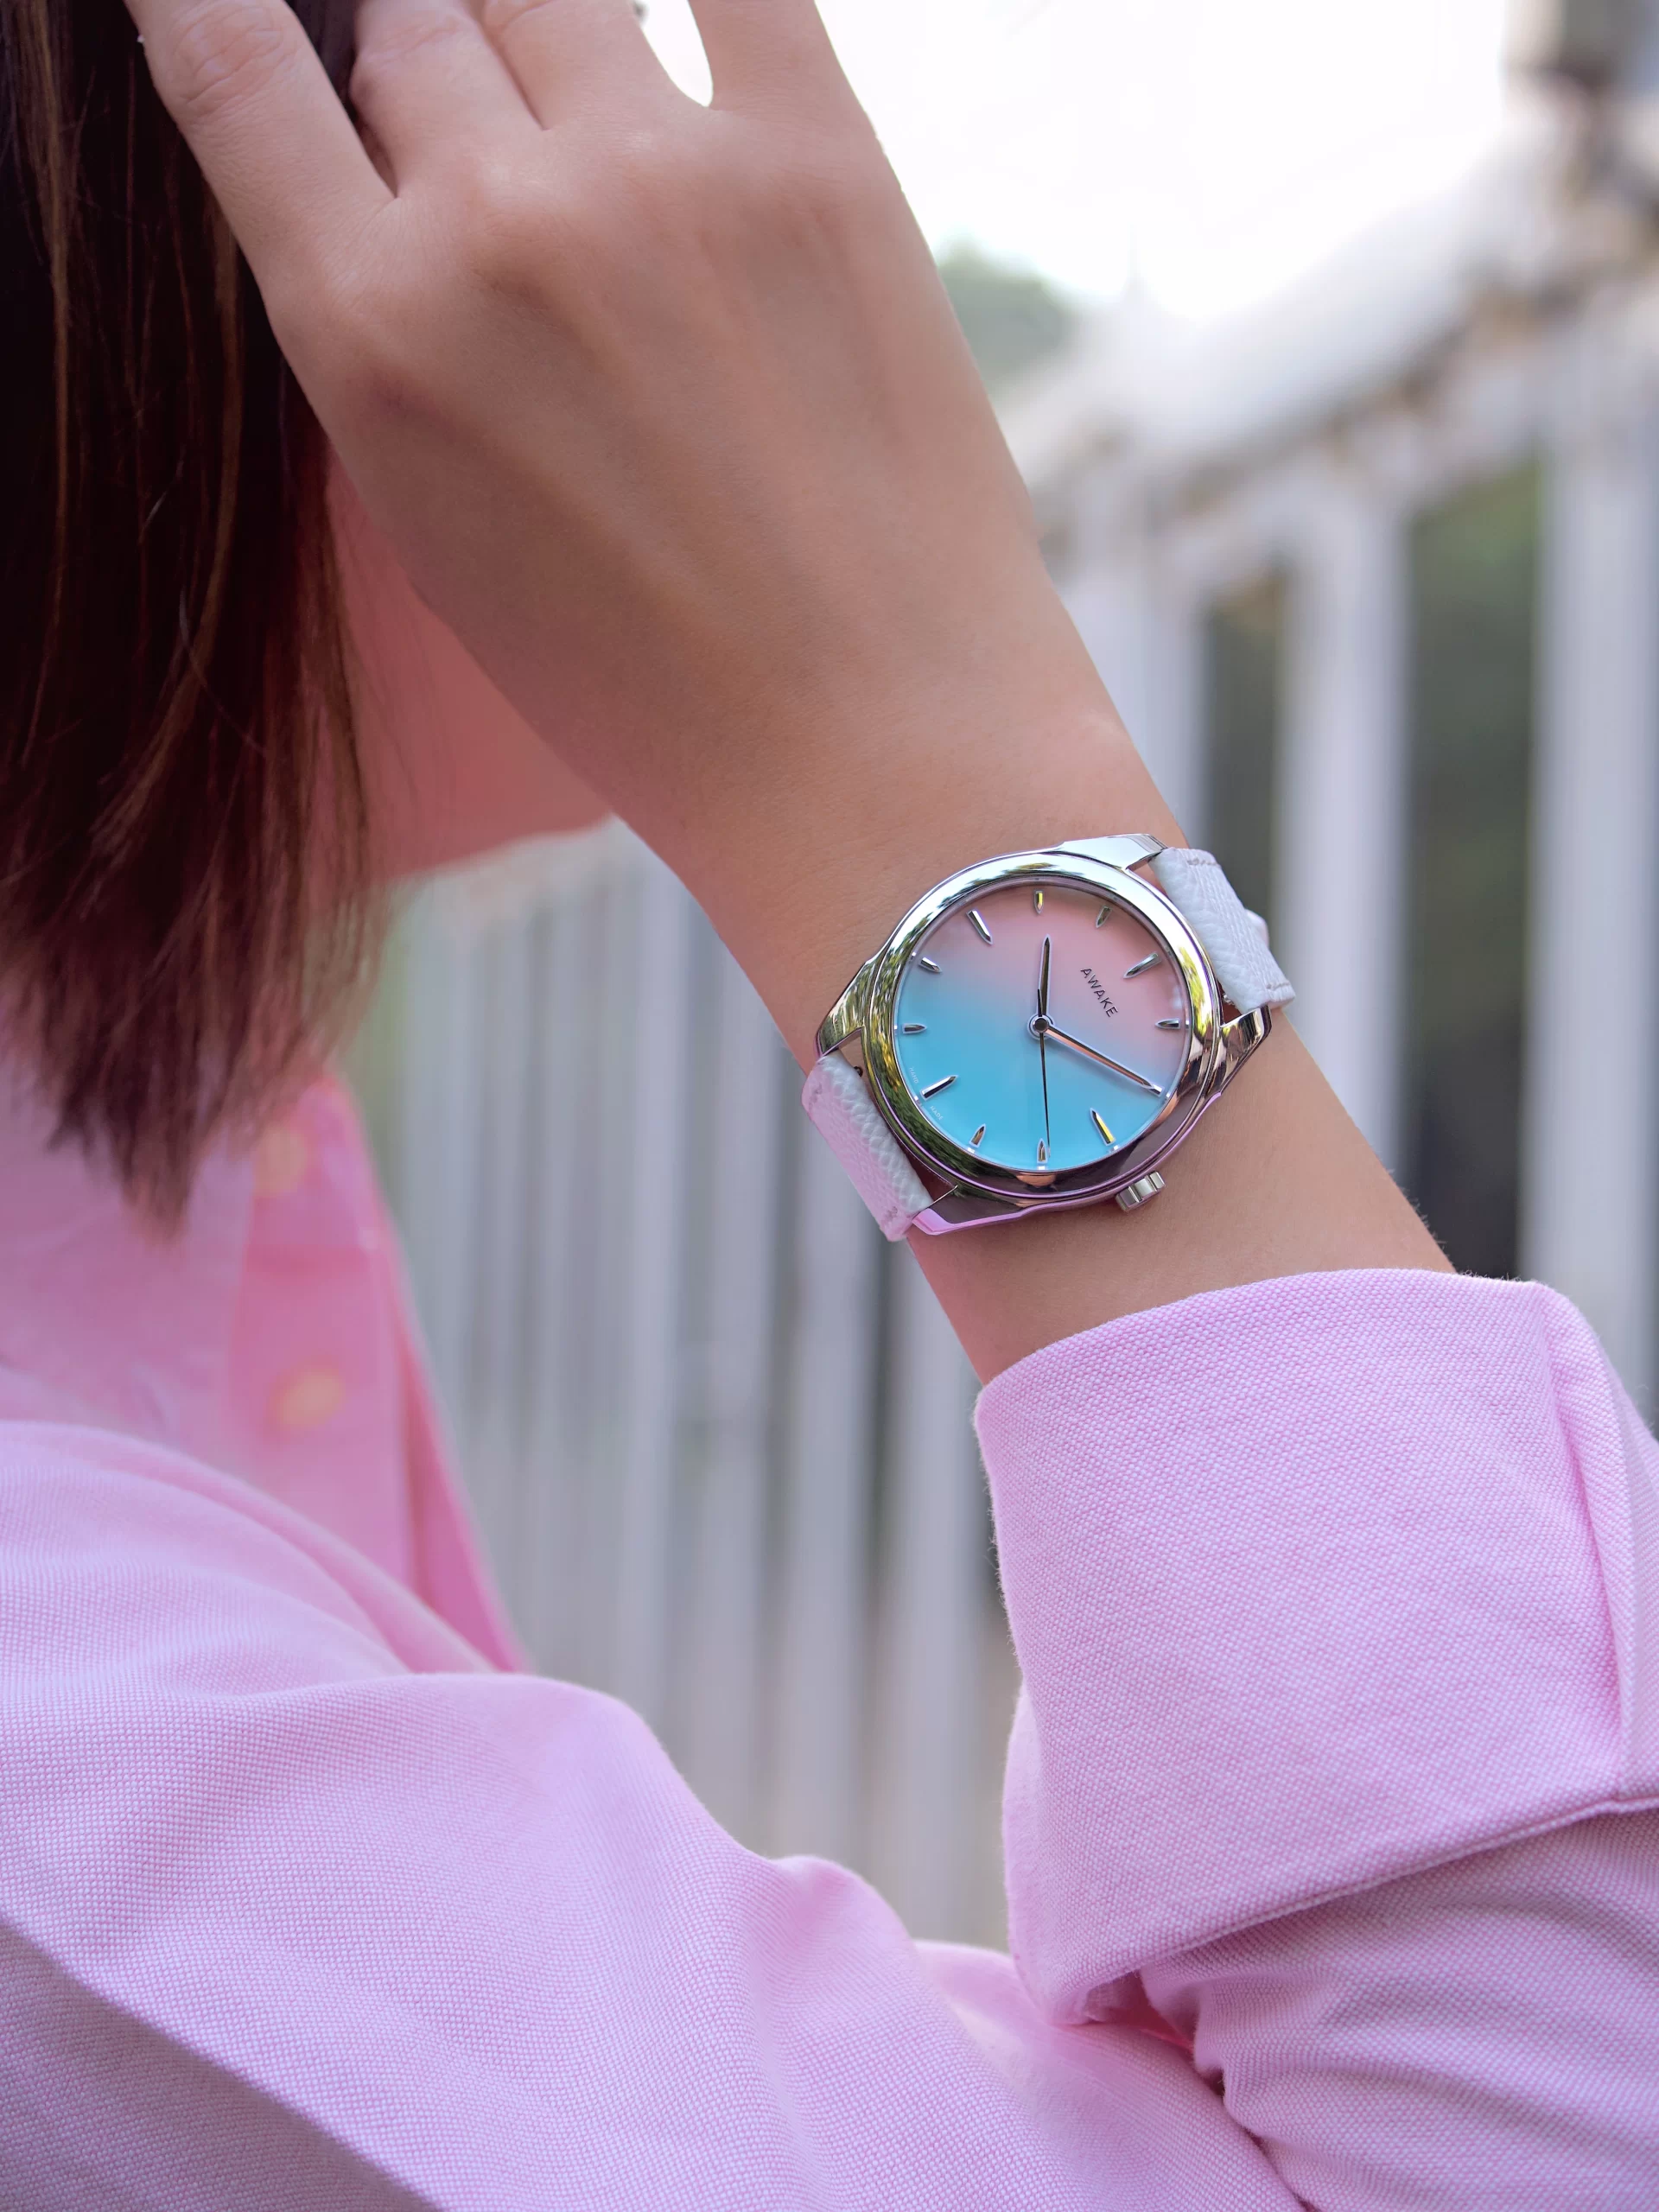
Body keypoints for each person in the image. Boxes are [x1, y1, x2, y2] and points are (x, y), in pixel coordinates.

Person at [0, 0, 1653, 2203]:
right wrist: (935, 750)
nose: (705, 229)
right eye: (547, 59)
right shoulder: (77, 1768)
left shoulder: (183, 1158)